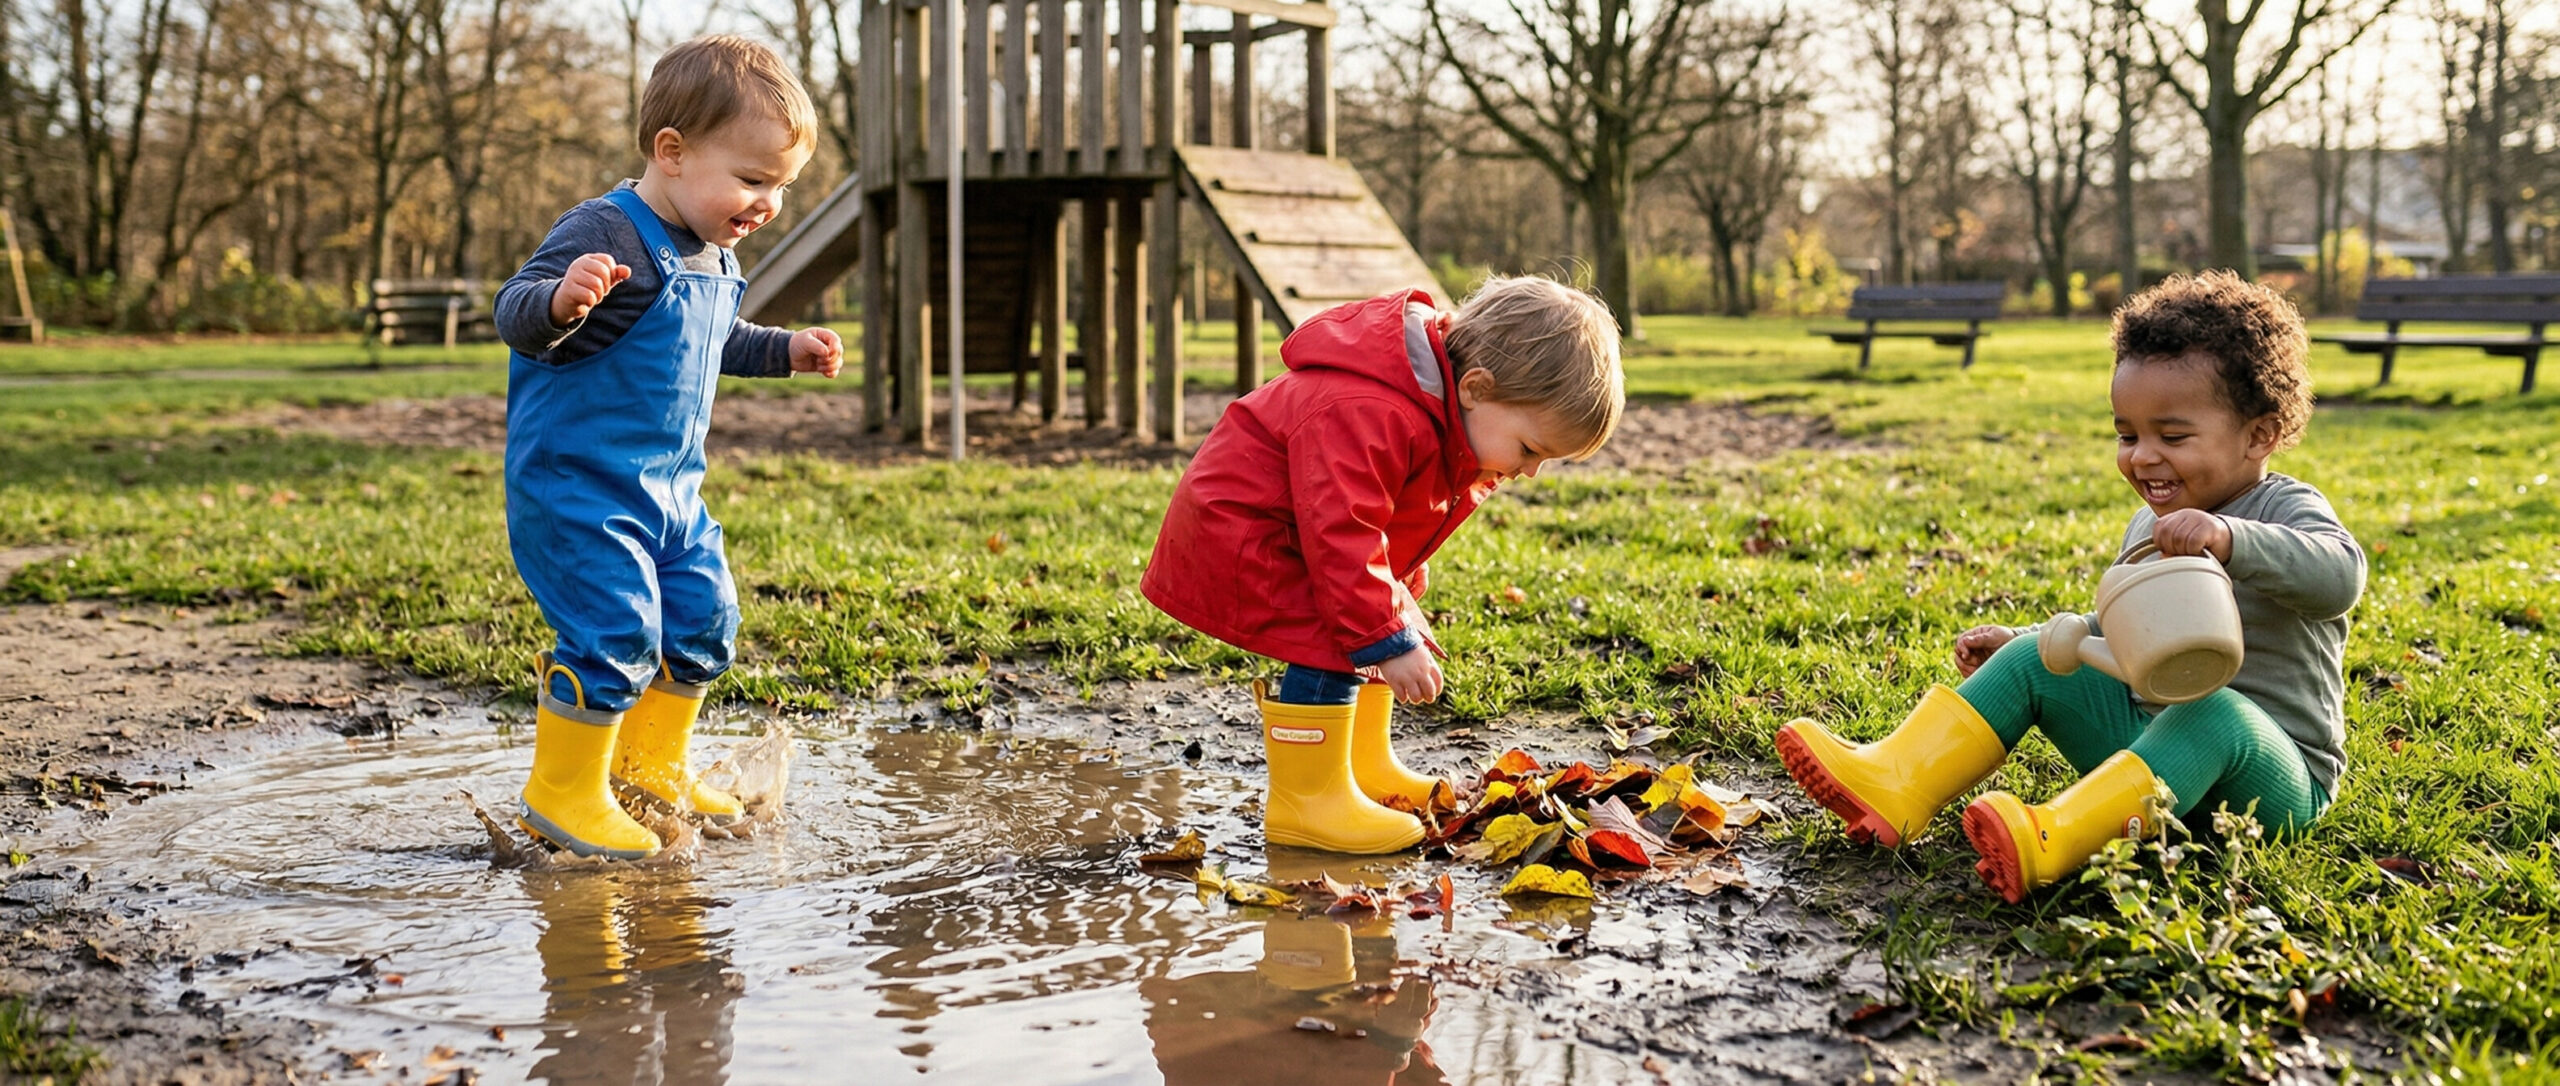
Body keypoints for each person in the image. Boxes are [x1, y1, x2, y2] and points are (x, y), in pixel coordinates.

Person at [1776, 271, 2364, 902]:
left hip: (2270, 783)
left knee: (2212, 708)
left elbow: (2339, 577)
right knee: (2035, 659)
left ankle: (2055, 840)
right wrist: (2027, 640)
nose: (2142, 457)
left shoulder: (2286, 509)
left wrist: (2230, 539)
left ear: (2259, 435)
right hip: (2146, 756)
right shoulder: (2150, 523)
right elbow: (2125, 631)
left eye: (2172, 436)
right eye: (2127, 434)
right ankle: (1896, 783)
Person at [496, 36, 844, 860]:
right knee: (615, 632)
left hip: (670, 493)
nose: (767, 204)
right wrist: (559, 300)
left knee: (702, 619)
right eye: (754, 180)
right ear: (673, 153)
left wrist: (783, 349)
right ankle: (563, 792)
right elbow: (513, 309)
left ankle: (650, 769)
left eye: (782, 189)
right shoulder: (607, 232)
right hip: (577, 490)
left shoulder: (713, 253)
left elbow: (716, 340)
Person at [1142, 277, 1624, 854]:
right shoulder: (1372, 408)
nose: (1529, 473)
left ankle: (1362, 768)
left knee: (1368, 616)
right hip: (1245, 527)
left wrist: (1398, 602)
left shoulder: (1440, 413)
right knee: (1338, 627)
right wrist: (1387, 638)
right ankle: (1306, 802)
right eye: (1529, 449)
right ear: (1475, 388)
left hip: (1300, 531)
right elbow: (1342, 536)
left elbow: (1386, 527)